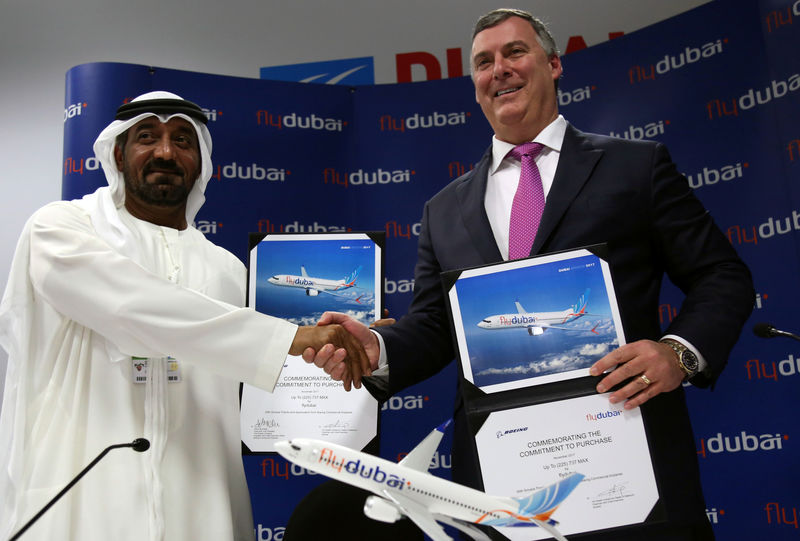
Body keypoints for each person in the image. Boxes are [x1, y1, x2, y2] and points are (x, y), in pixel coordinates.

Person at [302, 8, 754, 540]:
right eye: (484, 62)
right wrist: (378, 348)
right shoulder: (443, 209)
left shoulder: (636, 167)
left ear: (554, 64)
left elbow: (722, 275)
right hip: (504, 484)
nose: (500, 70)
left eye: (515, 52)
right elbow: (432, 326)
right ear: (474, 86)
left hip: (630, 468)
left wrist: (678, 351)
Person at [0, 91, 370, 541]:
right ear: (118, 152)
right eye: (147, 137)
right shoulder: (60, 229)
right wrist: (293, 339)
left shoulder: (228, 270)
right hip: (82, 500)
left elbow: (266, 374)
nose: (165, 151)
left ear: (201, 162)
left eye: (182, 139)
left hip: (200, 508)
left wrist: (353, 345)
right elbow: (131, 308)